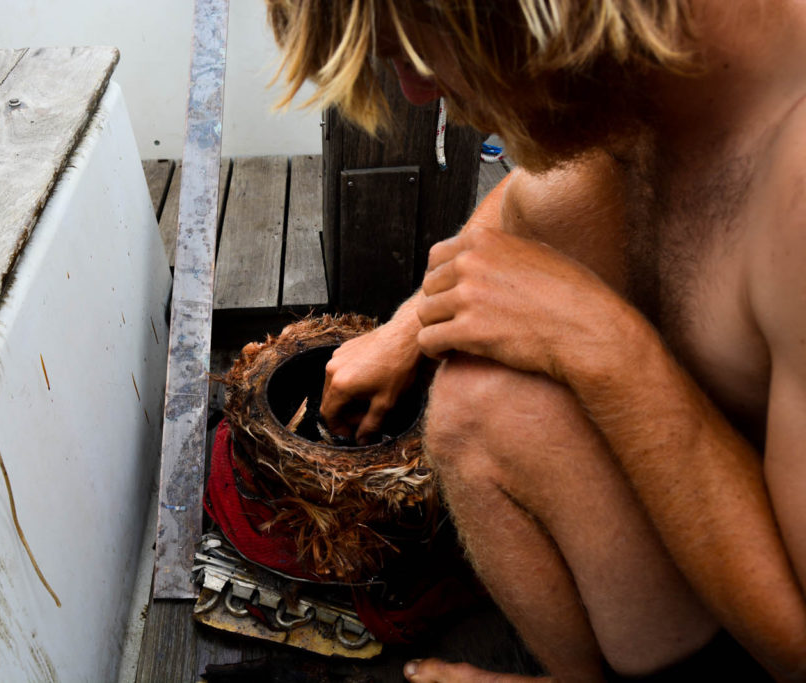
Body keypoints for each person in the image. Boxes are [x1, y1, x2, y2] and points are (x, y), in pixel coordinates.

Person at [265, 1, 806, 680]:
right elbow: (536, 194)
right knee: (551, 228)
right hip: (694, 566)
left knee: (478, 397)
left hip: (759, 643)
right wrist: (408, 330)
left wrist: (607, 348)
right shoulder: (646, 66)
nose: (413, 90)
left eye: (411, 51)